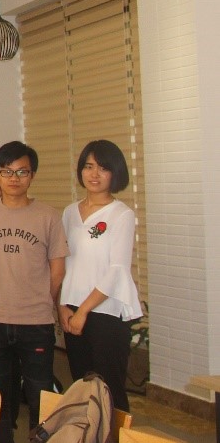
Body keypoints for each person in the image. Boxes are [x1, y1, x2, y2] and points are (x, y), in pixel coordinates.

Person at [0, 140, 68, 443]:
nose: (14, 178)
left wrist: (40, 300)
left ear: (32, 175)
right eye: (7, 172)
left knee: (40, 394)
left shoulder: (49, 216)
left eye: (22, 172)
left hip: (36, 321)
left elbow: (57, 270)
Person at [60, 140, 141, 412]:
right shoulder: (70, 212)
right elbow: (63, 261)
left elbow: (117, 269)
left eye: (103, 168)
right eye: (89, 166)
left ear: (115, 173)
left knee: (109, 391)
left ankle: (115, 441)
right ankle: (87, 440)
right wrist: (62, 305)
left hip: (105, 311)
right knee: (82, 389)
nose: (94, 174)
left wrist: (83, 310)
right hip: (72, 310)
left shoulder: (121, 214)